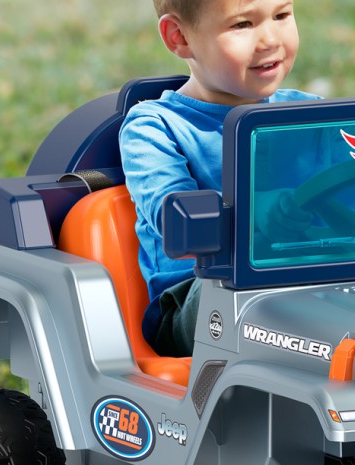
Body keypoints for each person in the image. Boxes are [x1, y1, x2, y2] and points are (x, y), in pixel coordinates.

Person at [120, 0, 319, 357]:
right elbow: (173, 217)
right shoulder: (155, 127)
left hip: (306, 281)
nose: (270, 38)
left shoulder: (311, 115)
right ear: (179, 37)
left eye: (281, 15)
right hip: (195, 298)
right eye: (243, 24)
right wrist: (253, 213)